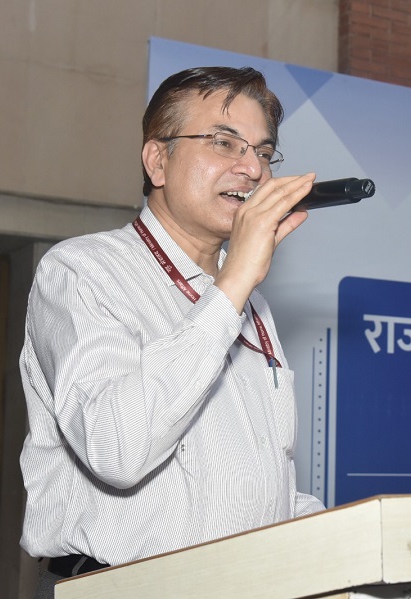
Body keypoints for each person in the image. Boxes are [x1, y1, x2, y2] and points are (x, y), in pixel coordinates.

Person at [19, 66, 325, 597]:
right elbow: (118, 450)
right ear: (157, 160)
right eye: (224, 143)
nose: (253, 168)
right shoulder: (83, 272)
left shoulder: (251, 305)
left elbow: (259, 485)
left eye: (263, 151)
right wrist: (233, 284)